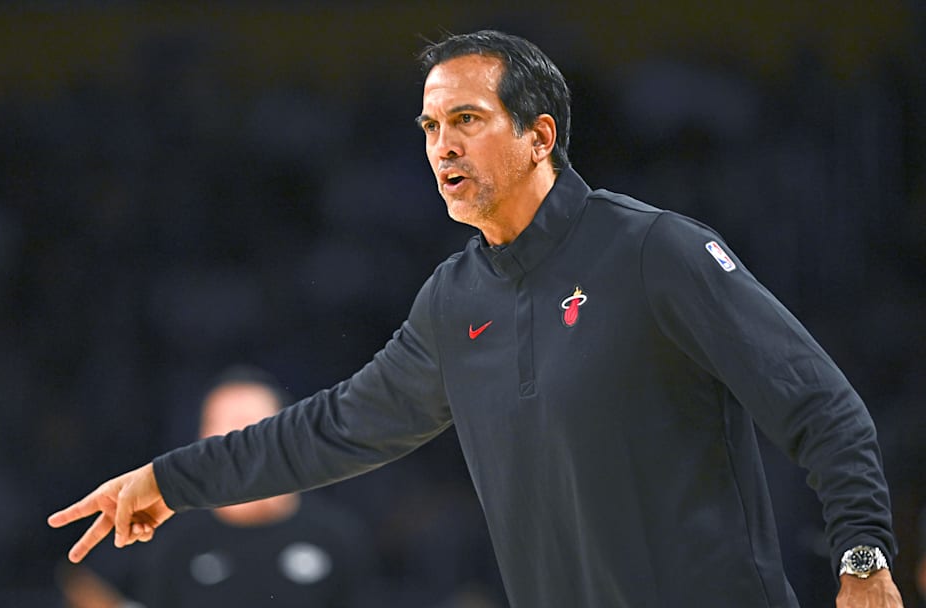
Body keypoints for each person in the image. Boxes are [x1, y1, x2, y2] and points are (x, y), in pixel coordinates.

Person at [49, 30, 905, 607]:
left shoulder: (655, 253)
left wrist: (864, 559)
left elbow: (819, 405)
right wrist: (171, 480)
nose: (442, 147)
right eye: (430, 127)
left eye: (466, 120)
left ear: (539, 135)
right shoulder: (454, 301)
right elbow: (331, 428)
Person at [57, 366, 377, 608]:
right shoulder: (173, 540)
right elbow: (81, 580)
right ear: (201, 440)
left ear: (284, 436)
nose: (237, 443)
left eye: (251, 427)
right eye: (224, 429)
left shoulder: (338, 535)